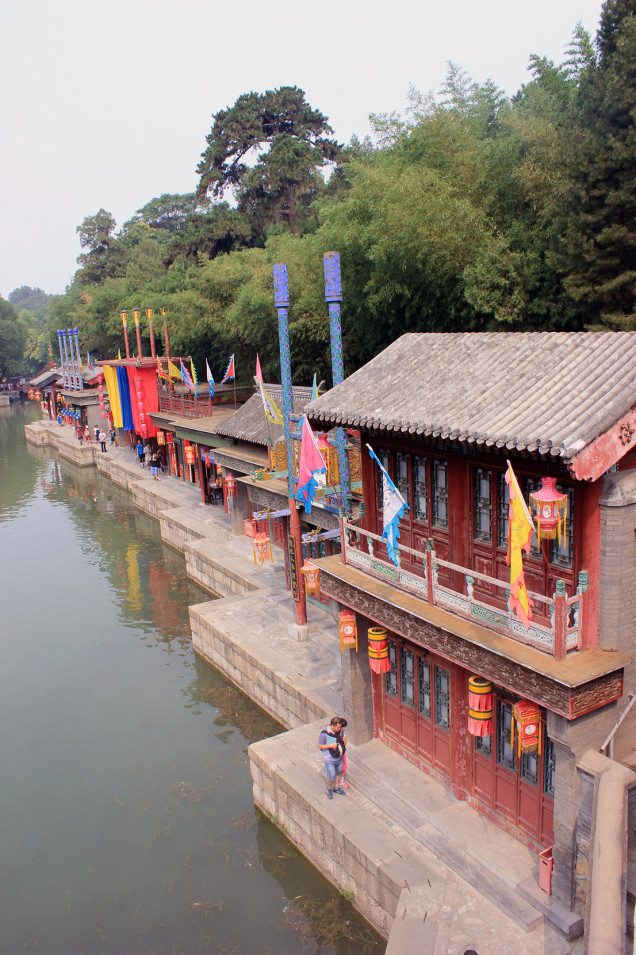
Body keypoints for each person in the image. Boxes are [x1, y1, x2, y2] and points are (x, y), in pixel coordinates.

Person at [318, 717, 346, 800]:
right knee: (331, 776)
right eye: (338, 727)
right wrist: (330, 746)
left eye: (340, 727)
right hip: (329, 758)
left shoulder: (340, 731)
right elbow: (320, 745)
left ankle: (336, 787)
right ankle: (329, 788)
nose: (339, 729)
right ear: (332, 726)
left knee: (338, 773)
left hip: (339, 757)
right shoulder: (324, 734)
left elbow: (344, 739)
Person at [337, 717, 349, 788]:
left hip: (342, 751)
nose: (344, 729)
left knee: (344, 766)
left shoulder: (342, 733)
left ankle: (341, 779)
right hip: (336, 752)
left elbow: (345, 742)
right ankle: (339, 781)